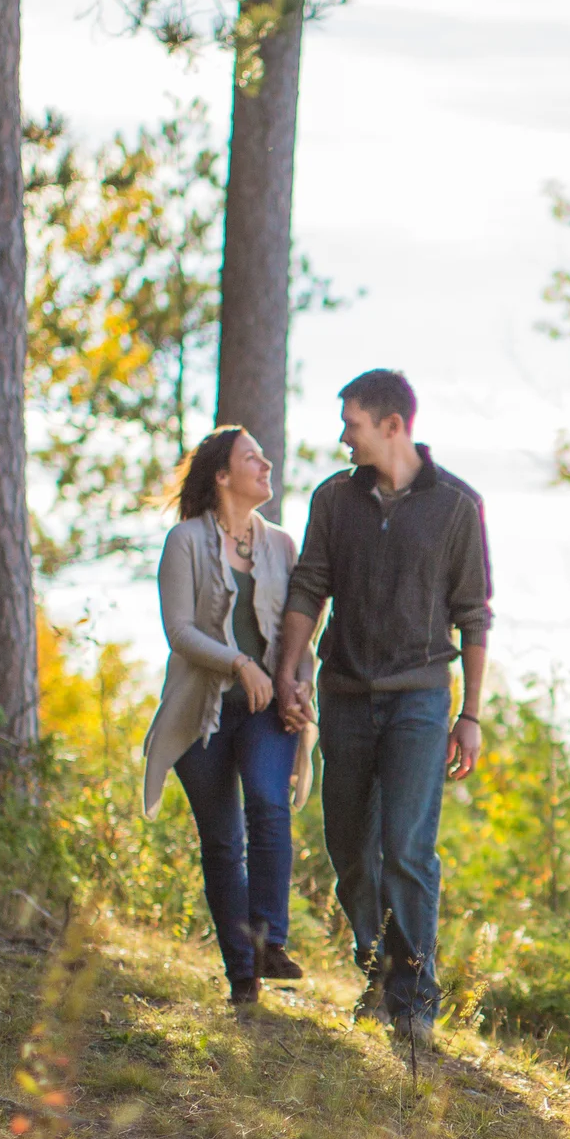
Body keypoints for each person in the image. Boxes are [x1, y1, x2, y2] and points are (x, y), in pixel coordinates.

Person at [273, 369, 491, 1058]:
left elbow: (474, 615)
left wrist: (471, 715)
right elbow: (310, 583)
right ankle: (378, 967)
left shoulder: (457, 504)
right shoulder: (334, 499)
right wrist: (290, 667)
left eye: (354, 423)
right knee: (348, 849)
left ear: (393, 425)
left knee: (406, 848)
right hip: (344, 693)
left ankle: (412, 999)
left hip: (422, 701)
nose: (344, 435)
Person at [141, 427, 313, 1007]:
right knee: (221, 844)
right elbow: (179, 631)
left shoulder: (282, 546)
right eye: (251, 458)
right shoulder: (184, 541)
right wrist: (239, 662)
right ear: (221, 475)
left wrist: (298, 688)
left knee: (268, 803)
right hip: (201, 716)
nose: (266, 465)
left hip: (265, 714)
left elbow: (299, 631)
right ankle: (244, 976)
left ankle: (269, 940)